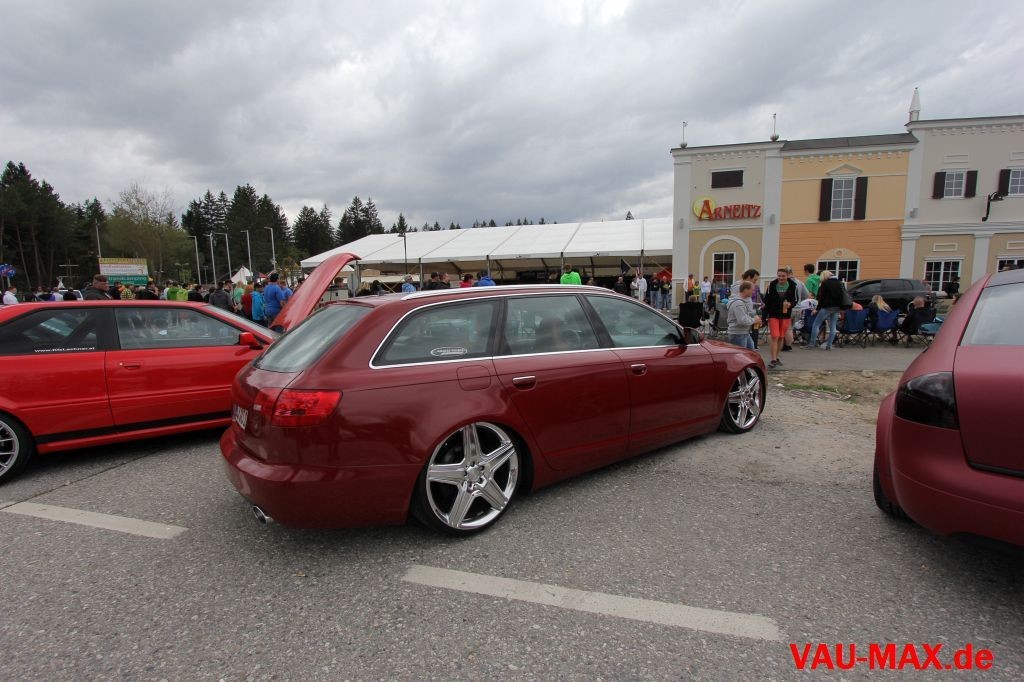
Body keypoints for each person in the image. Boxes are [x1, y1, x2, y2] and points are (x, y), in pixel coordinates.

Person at [764, 268, 797, 368]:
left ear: (787, 276)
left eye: (783, 276)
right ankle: (773, 359)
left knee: (781, 337)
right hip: (773, 314)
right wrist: (765, 316)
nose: (781, 278)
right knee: (775, 336)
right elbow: (767, 301)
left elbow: (795, 300)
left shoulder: (793, 286)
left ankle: (777, 357)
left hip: (785, 315)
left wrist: (790, 304)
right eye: (779, 276)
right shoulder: (772, 285)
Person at [805, 270, 843, 351]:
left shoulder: (825, 284)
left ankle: (811, 344)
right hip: (836, 307)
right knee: (833, 327)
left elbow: (821, 299)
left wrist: (817, 309)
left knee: (816, 324)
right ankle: (829, 346)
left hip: (826, 307)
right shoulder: (839, 283)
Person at [727, 282, 761, 350]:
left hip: (744, 332)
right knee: (742, 355)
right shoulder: (738, 303)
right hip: (738, 334)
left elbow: (745, 316)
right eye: (752, 290)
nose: (753, 292)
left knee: (751, 354)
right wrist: (754, 320)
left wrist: (754, 318)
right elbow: (742, 320)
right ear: (745, 290)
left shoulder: (742, 301)